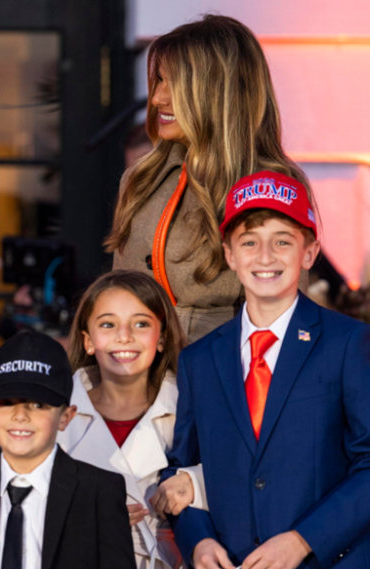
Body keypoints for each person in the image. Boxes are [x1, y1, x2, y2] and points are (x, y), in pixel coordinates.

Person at [158, 171, 370, 569]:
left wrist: (303, 540)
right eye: (250, 242)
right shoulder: (199, 360)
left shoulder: (349, 342)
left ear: (309, 253)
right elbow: (184, 470)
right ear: (229, 255)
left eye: (283, 241)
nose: (266, 256)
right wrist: (197, 541)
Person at [105, 15, 312, 343]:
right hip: (138, 377)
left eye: (172, 83)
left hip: (219, 379)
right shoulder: (140, 178)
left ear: (217, 91)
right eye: (158, 80)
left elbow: (278, 324)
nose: (157, 97)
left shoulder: (272, 187)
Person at [0, 330, 138, 569]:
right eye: (7, 402)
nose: (20, 415)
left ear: (66, 416)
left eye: (38, 404)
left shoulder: (100, 492)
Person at [57, 270, 199, 569]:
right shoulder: (53, 414)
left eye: (141, 324)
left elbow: (239, 482)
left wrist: (196, 483)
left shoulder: (194, 405)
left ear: (161, 338)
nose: (124, 336)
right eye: (108, 324)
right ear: (87, 340)